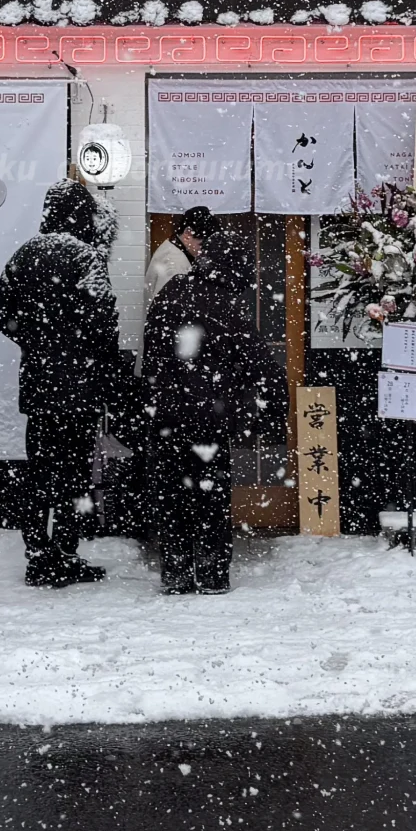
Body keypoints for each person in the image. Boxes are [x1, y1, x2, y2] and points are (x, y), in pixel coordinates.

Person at [0, 182, 135, 589]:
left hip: (38, 386)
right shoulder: (86, 257)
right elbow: (104, 322)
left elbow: (1, 313)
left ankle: (37, 557)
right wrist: (82, 350)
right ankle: (65, 554)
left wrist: (35, 340)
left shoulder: (27, 252)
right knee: (74, 476)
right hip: (80, 388)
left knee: (39, 473)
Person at [143, 233, 286, 595]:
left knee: (172, 495)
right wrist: (267, 415)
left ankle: (175, 573)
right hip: (210, 419)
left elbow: (152, 356)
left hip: (167, 417)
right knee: (210, 497)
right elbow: (264, 368)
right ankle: (212, 574)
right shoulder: (226, 308)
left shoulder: (169, 296)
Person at [142, 205, 213, 307]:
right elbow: (168, 312)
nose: (203, 251)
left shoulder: (172, 248)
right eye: (201, 245)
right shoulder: (174, 265)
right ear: (188, 234)